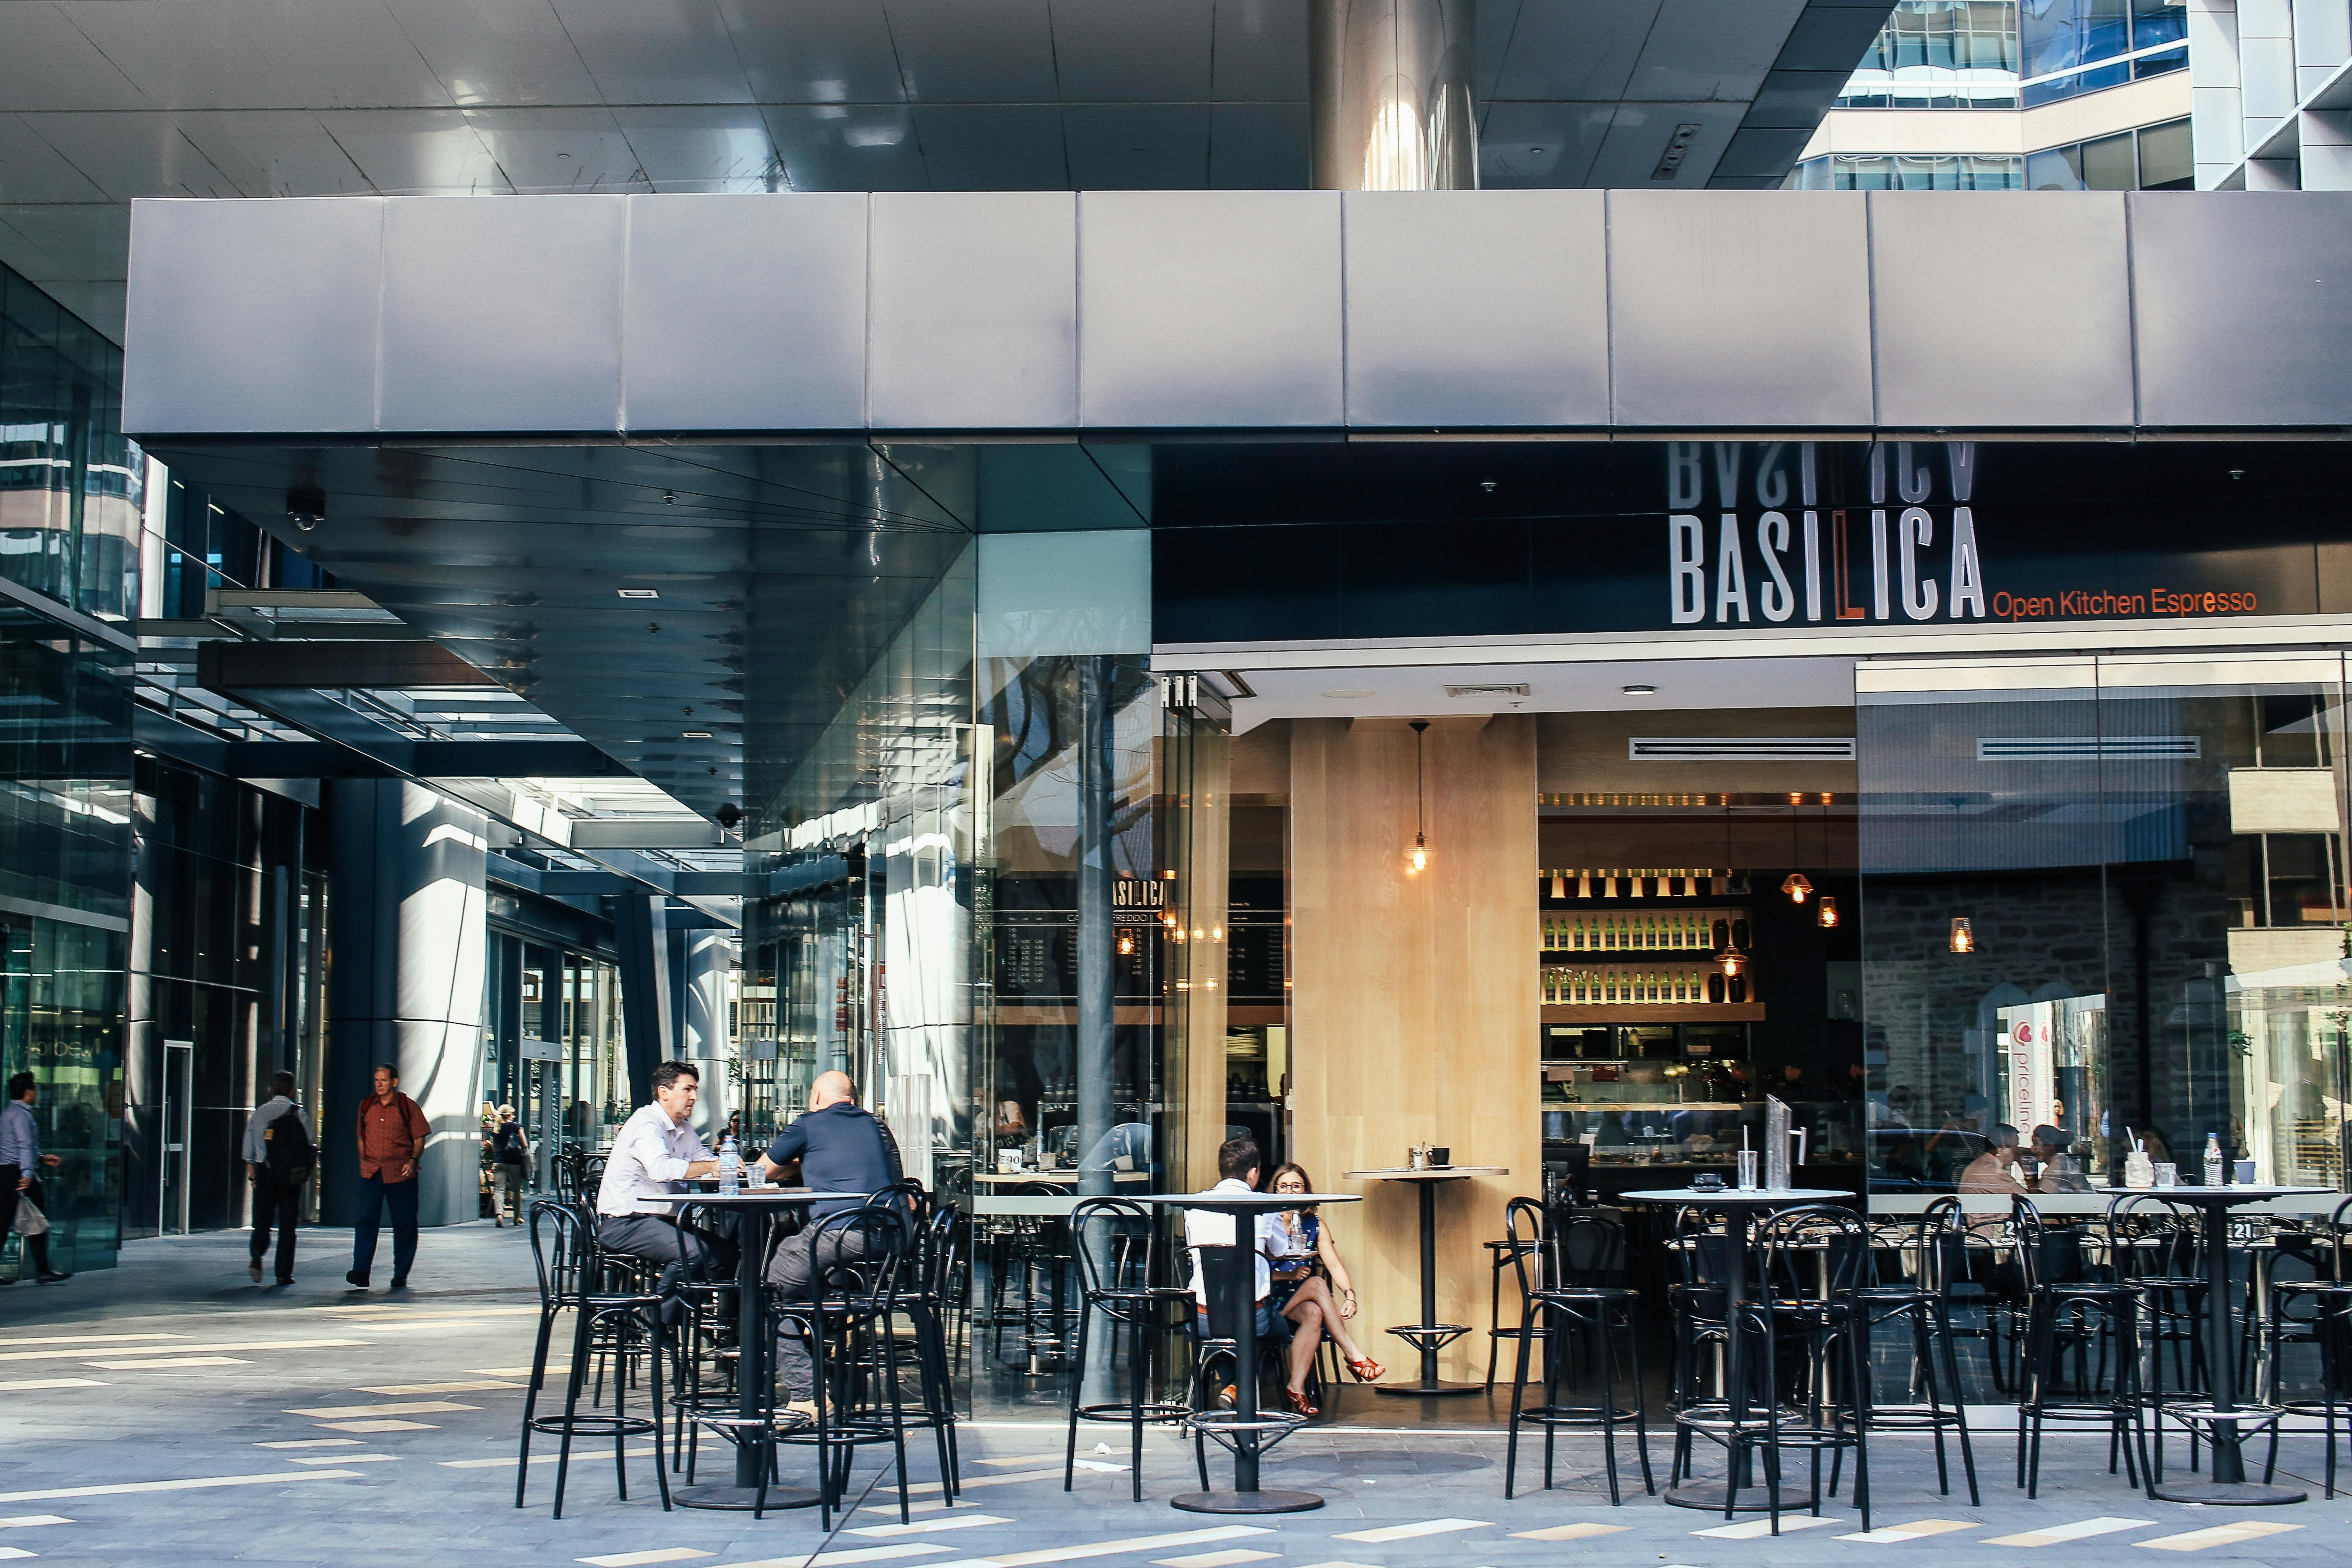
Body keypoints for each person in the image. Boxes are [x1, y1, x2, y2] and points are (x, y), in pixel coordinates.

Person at [752, 1070, 900, 1415]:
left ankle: (807, 1394)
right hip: (887, 1240)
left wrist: (799, 1162)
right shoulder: (877, 1126)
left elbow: (762, 1172)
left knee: (766, 1292)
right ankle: (835, 1345)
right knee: (805, 1282)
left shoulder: (808, 1124)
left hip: (838, 1234)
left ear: (817, 1097)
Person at [595, 1060, 732, 1302]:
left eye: (695, 1090)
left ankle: (719, 1324)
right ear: (664, 1092)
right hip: (627, 1221)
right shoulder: (647, 1123)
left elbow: (704, 1160)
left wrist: (729, 1165)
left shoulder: (683, 1128)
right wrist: (712, 1167)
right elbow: (660, 1169)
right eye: (688, 1089)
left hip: (662, 1221)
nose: (695, 1097)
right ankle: (658, 1324)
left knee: (727, 1254)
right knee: (694, 1253)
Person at [1263, 1162, 1383, 1414]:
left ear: (1306, 1190)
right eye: (1283, 1186)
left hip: (1296, 1300)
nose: (1289, 1192)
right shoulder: (1265, 1222)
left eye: (1296, 1186)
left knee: (1314, 1314)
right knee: (1317, 1283)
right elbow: (1253, 1270)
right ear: (1274, 1190)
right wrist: (1288, 1276)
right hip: (1266, 1299)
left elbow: (1335, 1265)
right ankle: (1353, 1353)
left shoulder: (1314, 1224)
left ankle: (1296, 1388)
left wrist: (1350, 1296)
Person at [1185, 1136, 1292, 1410]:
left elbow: (1193, 1247)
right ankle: (1240, 1386)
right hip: (1251, 1318)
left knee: (1221, 1337)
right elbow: (1281, 1251)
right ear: (1254, 1172)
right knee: (1281, 1329)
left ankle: (1232, 1387)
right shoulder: (1264, 1205)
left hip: (1203, 1318)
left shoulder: (1194, 1205)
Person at [349, 1063, 429, 1290]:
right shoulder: (366, 1106)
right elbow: (361, 1136)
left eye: (383, 1080)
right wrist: (364, 1159)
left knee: (404, 1224)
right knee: (365, 1221)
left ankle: (401, 1274)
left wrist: (414, 1162)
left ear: (394, 1082)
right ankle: (361, 1271)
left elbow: (420, 1137)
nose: (379, 1084)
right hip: (372, 1172)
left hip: (401, 1174)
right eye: (376, 1080)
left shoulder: (407, 1106)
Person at [0, 1072, 69, 1284]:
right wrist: (28, 1174)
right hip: (18, 1174)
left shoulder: (8, 1113)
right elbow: (23, 1145)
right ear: (28, 1092)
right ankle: (43, 1270)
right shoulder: (22, 1115)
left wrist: (40, 1158)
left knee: (3, 1223)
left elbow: (14, 1148)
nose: (37, 1093)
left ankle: (44, 1269)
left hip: (6, 1172)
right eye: (35, 1089)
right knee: (38, 1219)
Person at [244, 1070, 311, 1285]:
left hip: (266, 1172)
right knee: (288, 1225)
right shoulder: (299, 1114)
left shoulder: (259, 1113)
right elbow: (308, 1144)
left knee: (262, 1218)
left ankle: (257, 1256)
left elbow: (249, 1151)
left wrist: (253, 1177)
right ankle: (283, 1273)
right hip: (290, 1176)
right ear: (292, 1091)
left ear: (272, 1089)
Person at [1959, 1123, 2028, 1195]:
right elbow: (2027, 1199)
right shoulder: (1995, 1174)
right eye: (2016, 1146)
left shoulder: (1977, 1165)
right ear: (2003, 1147)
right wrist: (2027, 1171)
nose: (2018, 1151)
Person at [489, 1105, 529, 1225]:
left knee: (499, 1190)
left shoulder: (497, 1128)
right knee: (517, 1191)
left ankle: (499, 1215)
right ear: (510, 1115)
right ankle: (517, 1217)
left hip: (499, 1162)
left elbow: (494, 1147)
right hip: (514, 1162)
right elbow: (525, 1144)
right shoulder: (516, 1126)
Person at [2029, 1124, 2089, 1193]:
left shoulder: (2057, 1166)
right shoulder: (2062, 1161)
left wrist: (2027, 1170)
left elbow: (2040, 1198)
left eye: (2036, 1144)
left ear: (2051, 1146)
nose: (2032, 1149)